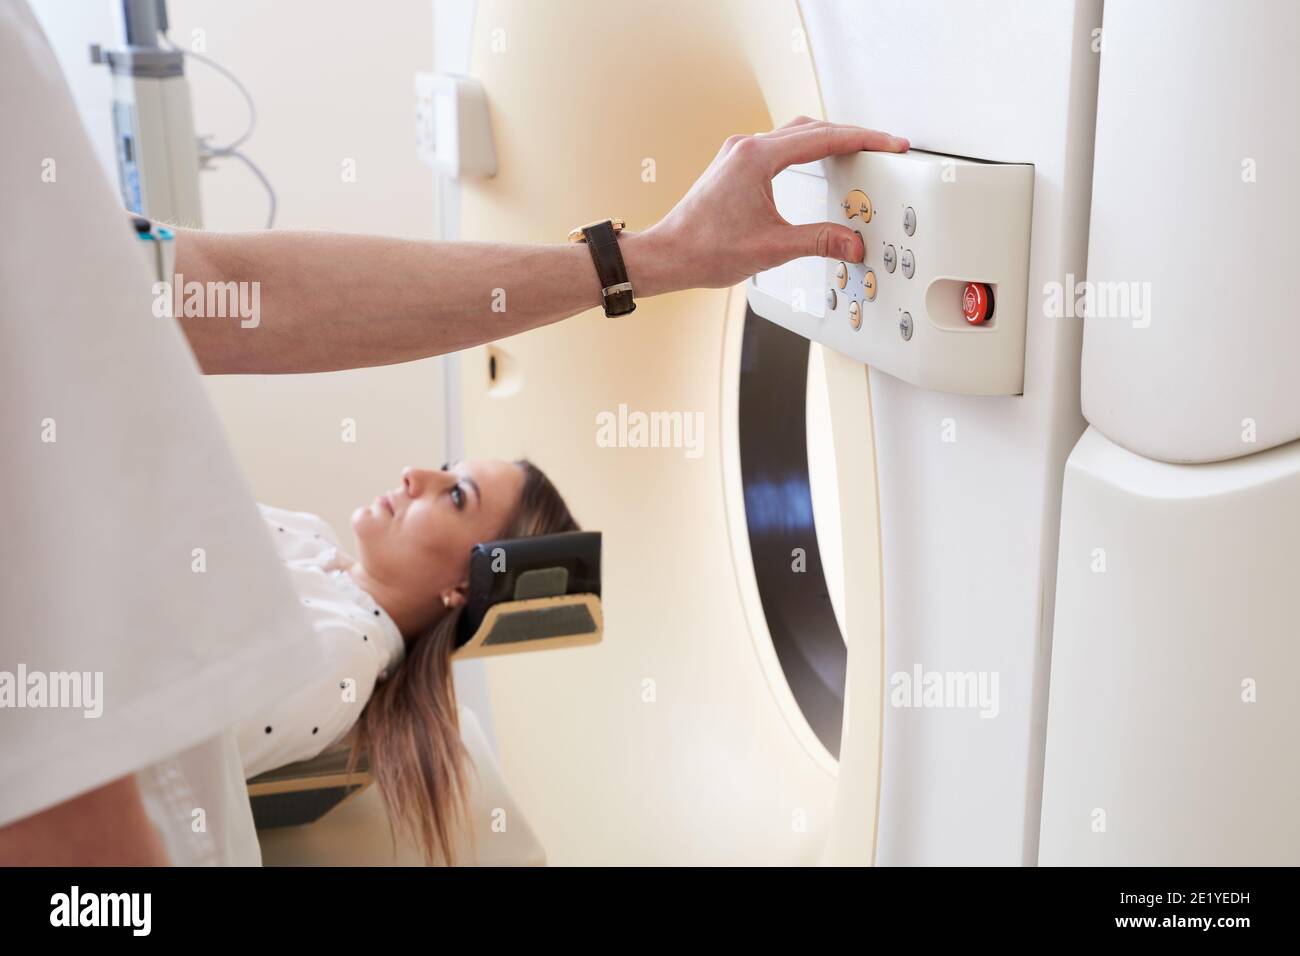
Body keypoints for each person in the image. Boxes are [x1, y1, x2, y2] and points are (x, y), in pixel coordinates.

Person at [0, 0, 908, 865]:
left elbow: (226, 288)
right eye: (451, 479)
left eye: (456, 493)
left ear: (459, 593)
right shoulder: (325, 596)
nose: (413, 476)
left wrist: (657, 257)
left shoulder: (345, 644)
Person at [240, 460, 577, 865]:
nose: (412, 474)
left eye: (456, 496)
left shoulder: (341, 656)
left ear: (465, 586)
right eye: (445, 470)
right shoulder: (312, 537)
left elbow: (169, 733)